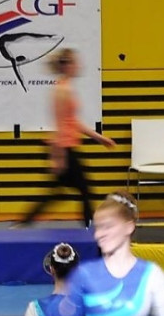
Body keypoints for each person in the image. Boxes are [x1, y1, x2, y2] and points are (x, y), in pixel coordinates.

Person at [18, 49, 115, 226]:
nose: (78, 65)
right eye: (75, 62)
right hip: (64, 148)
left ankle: (24, 222)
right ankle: (89, 229)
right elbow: (61, 125)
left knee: (59, 192)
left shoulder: (65, 87)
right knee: (84, 190)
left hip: (66, 146)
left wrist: (99, 138)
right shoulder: (62, 90)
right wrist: (58, 157)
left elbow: (72, 121)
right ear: (67, 66)